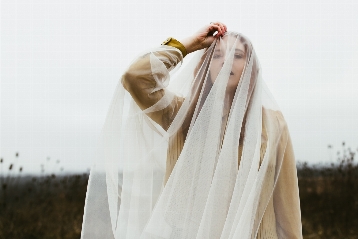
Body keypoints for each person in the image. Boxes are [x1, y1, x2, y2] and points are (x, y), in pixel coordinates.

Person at [81, 22, 303, 239]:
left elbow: (287, 207)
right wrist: (189, 44)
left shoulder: (273, 123)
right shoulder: (182, 114)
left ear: (250, 67)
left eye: (237, 56)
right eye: (216, 56)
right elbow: (135, 77)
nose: (226, 62)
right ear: (205, 66)